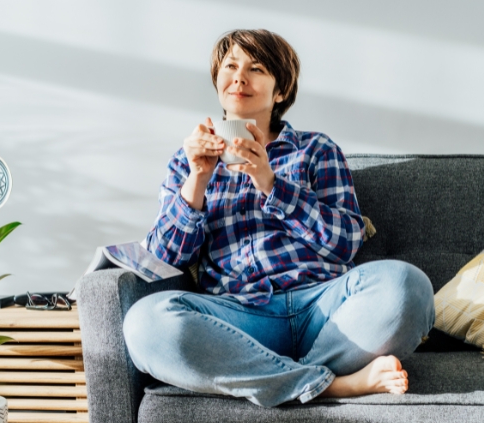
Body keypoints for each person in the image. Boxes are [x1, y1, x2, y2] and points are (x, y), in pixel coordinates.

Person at [123, 29, 435, 408]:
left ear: (281, 91)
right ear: (218, 81)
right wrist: (197, 181)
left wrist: (270, 183)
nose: (239, 76)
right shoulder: (186, 162)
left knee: (407, 285)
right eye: (231, 66)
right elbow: (164, 261)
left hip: (325, 309)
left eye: (256, 68)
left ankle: (274, 380)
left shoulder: (316, 149)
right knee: (145, 323)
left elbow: (345, 243)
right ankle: (332, 384)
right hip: (238, 317)